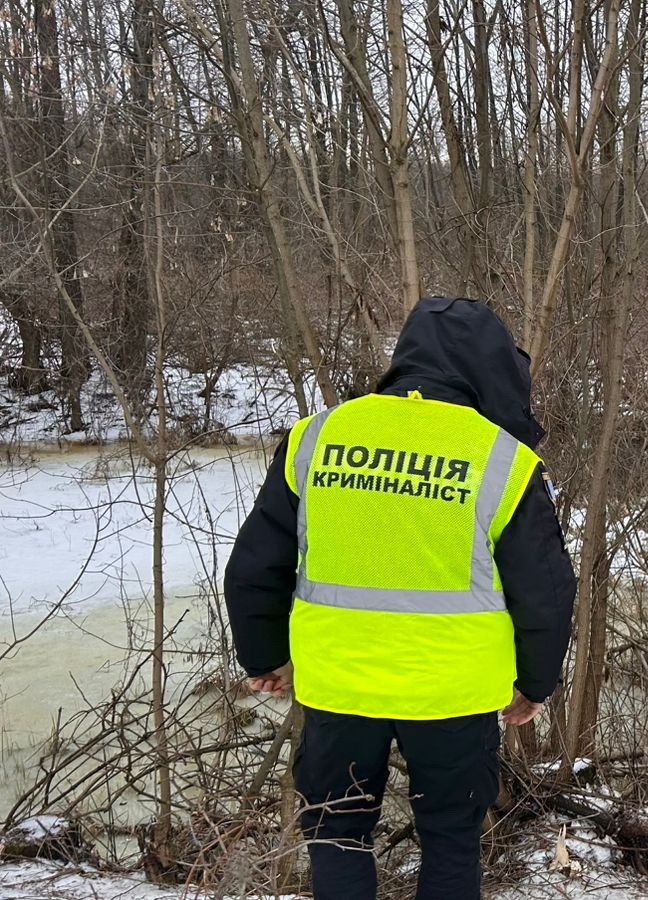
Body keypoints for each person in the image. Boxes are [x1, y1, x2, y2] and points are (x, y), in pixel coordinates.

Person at [224, 296, 577, 900]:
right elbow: (544, 588)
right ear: (491, 366)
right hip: (452, 692)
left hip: (340, 682)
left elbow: (257, 562)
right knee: (450, 837)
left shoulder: (319, 436)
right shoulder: (502, 459)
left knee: (337, 831)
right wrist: (534, 683)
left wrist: (264, 656)